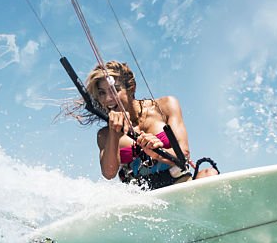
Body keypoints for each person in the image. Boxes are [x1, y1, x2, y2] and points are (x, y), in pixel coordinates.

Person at [78, 61, 218, 190]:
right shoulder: (105, 134)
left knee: (209, 174)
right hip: (144, 197)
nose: (108, 99)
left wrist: (155, 153)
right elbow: (109, 173)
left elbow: (184, 154)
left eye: (115, 90)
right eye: (102, 93)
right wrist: (114, 132)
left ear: (131, 88)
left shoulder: (166, 106)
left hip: (178, 184)